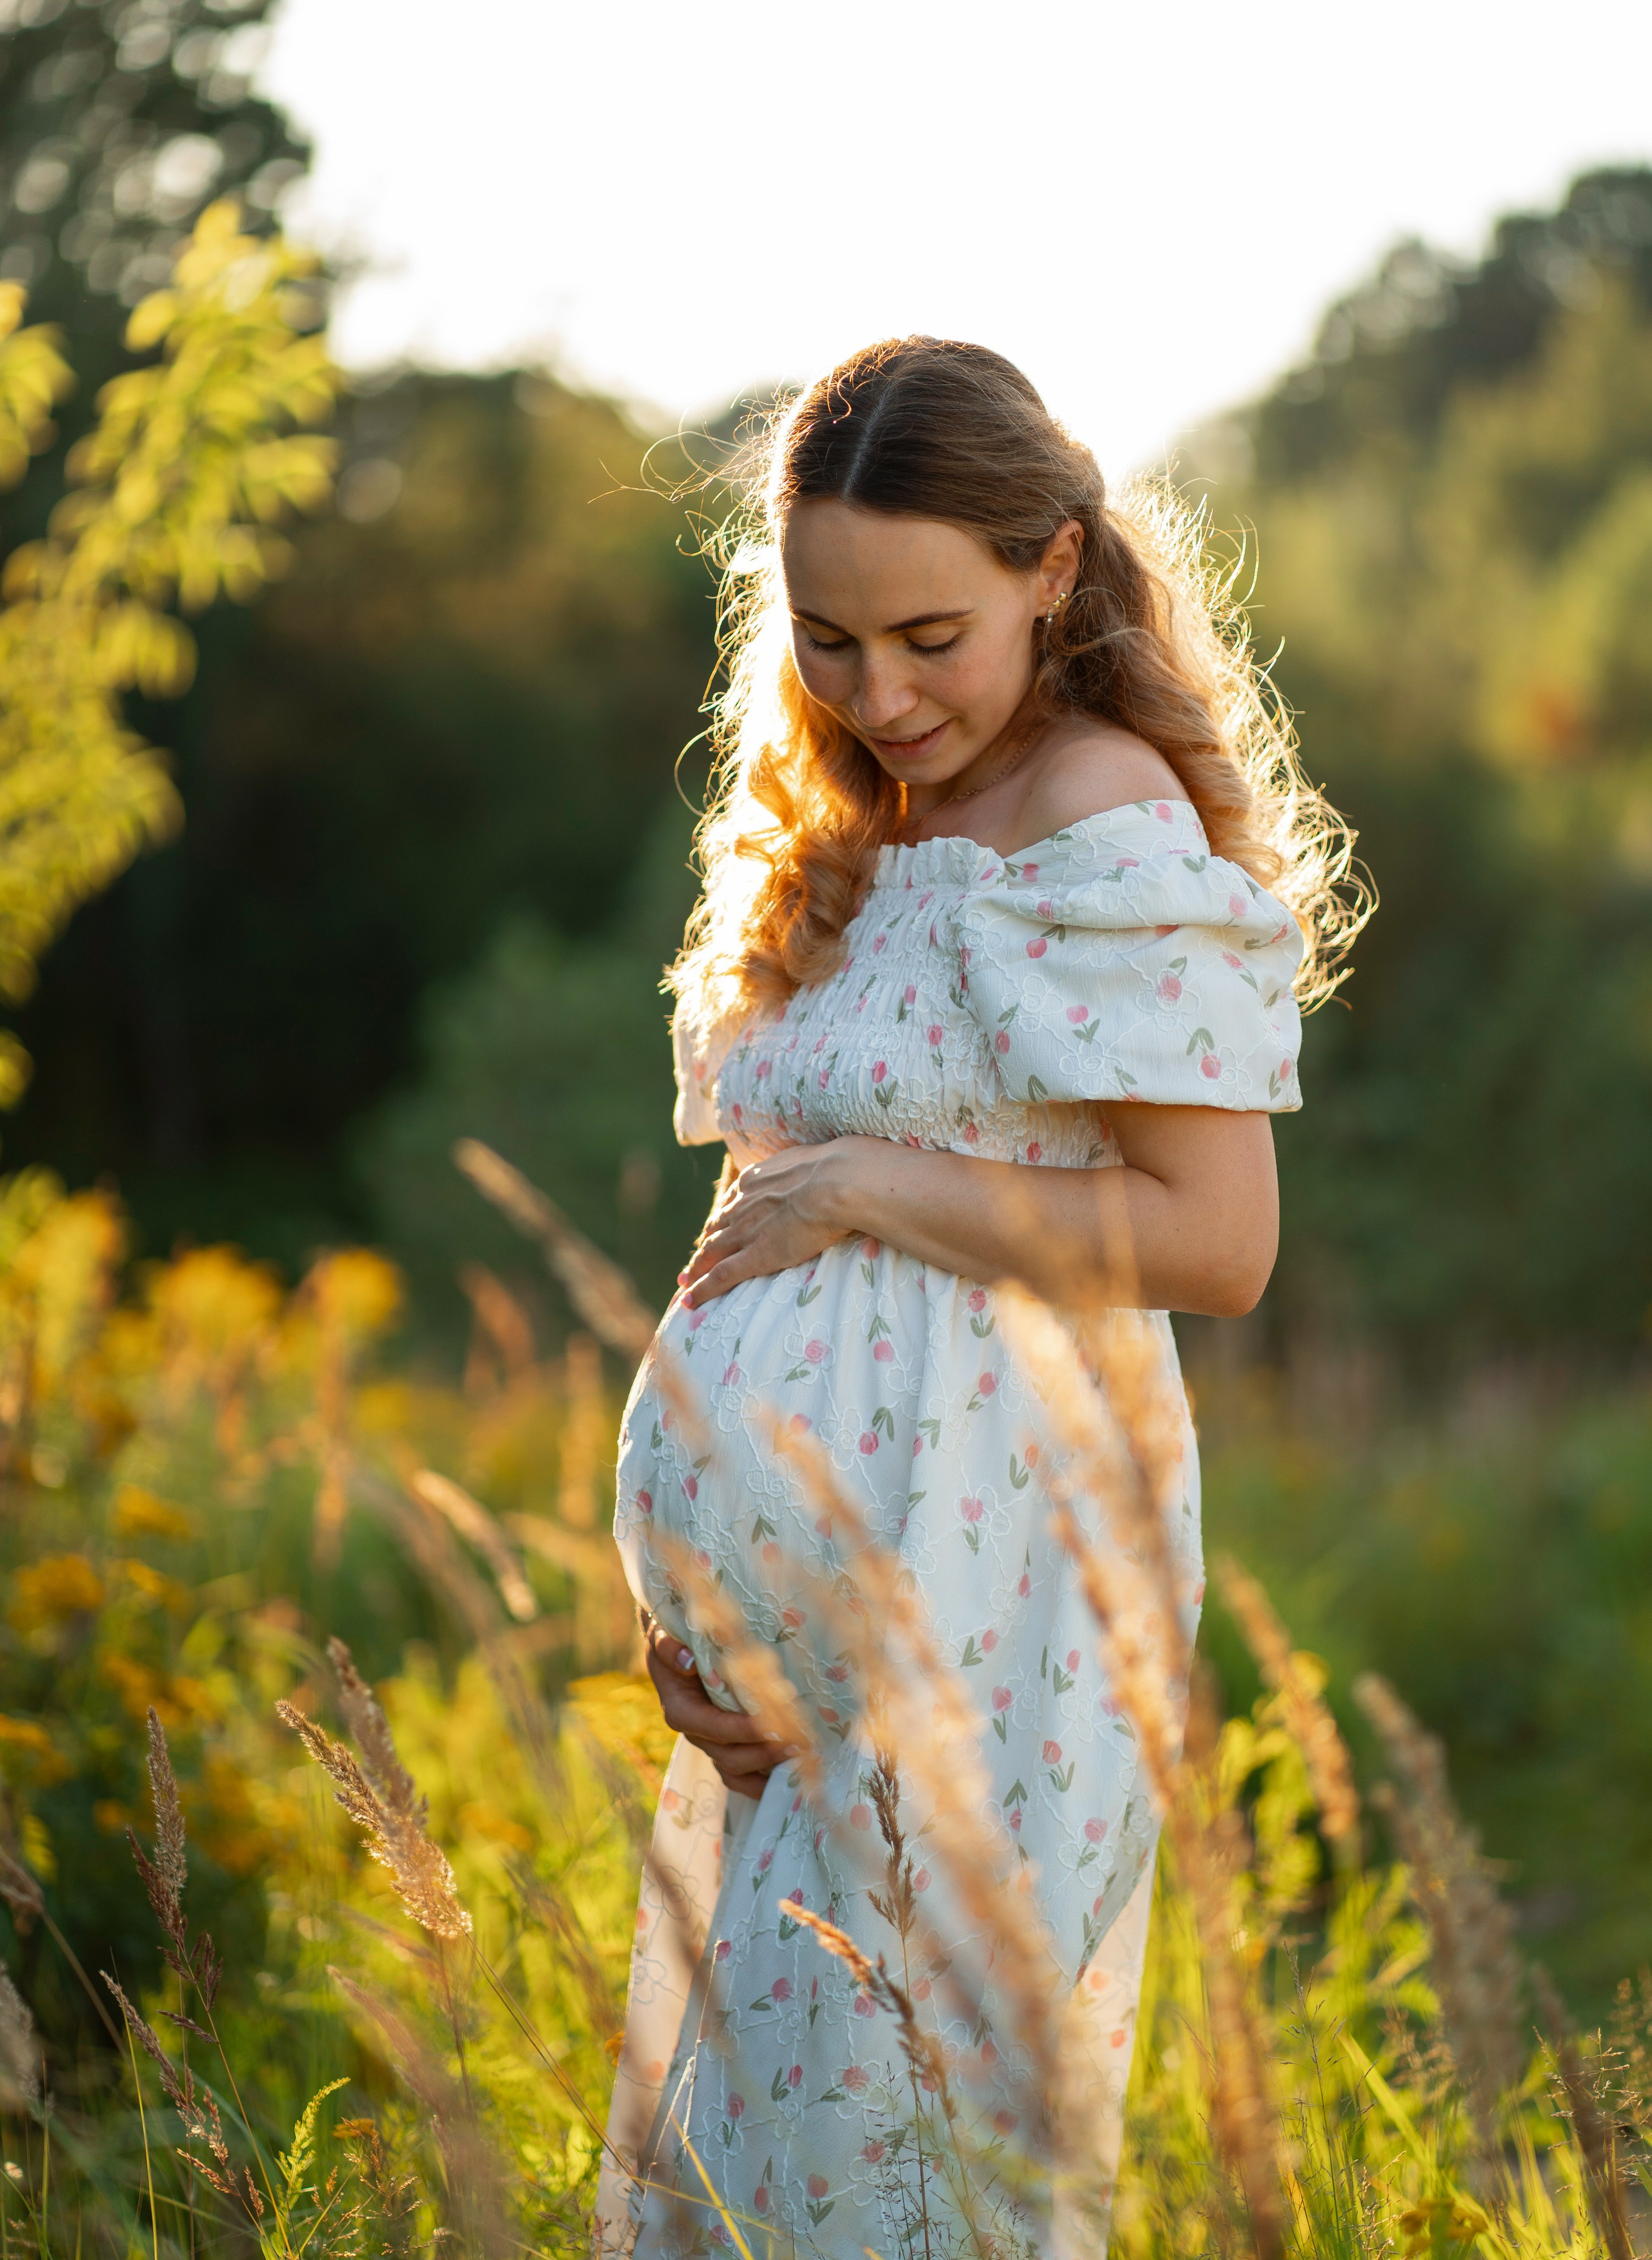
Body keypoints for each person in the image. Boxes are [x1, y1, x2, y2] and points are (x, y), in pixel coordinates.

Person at [595, 337, 1355, 2259]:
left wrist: (871, 1183)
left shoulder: (1095, 810)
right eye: (830, 640)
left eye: (930, 632)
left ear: (1057, 570)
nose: (881, 691)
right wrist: (680, 1613)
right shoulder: (851, 823)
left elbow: (1215, 1237)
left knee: (897, 2146)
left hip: (994, 1581)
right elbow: (758, 1268)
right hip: (802, 1658)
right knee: (756, 2159)